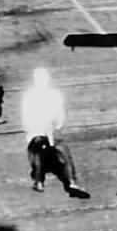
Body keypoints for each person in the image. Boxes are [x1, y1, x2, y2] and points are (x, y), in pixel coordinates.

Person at [21, 68, 89, 197]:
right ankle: (72, 181)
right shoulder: (55, 94)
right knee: (65, 155)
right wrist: (56, 126)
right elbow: (60, 116)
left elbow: (26, 118)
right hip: (52, 130)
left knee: (37, 155)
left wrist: (32, 131)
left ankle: (38, 181)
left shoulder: (29, 95)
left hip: (36, 131)